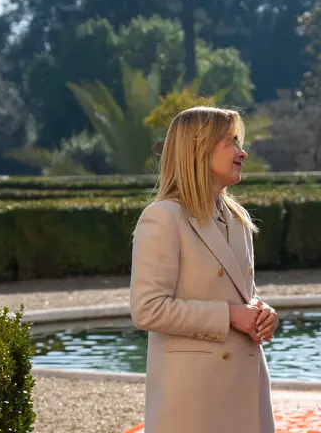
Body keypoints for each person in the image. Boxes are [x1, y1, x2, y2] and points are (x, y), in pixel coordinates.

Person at [129, 106, 278, 433]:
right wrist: (229, 316)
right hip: (194, 401)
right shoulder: (163, 217)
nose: (243, 152)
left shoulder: (238, 219)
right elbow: (147, 309)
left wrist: (261, 311)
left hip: (246, 389)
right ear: (199, 148)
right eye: (231, 142)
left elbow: (241, 294)